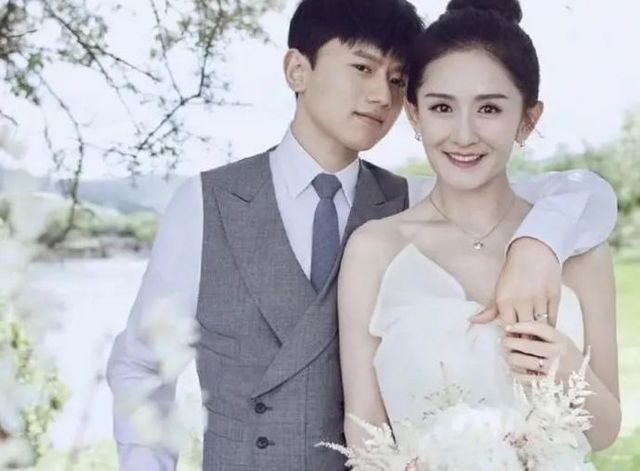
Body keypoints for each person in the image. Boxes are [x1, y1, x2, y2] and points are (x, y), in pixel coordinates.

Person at [107, 0, 618, 469]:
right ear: (297, 69)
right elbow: (142, 367)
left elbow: (579, 194)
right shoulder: (207, 203)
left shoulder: (408, 196)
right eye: (362, 68)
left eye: (397, 79)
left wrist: (537, 244)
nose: (381, 96)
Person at [338, 0, 621, 458]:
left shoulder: (582, 253)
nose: (464, 135)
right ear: (414, 115)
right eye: (442, 107)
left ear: (527, 120)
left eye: (489, 108)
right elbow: (363, 429)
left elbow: (606, 431)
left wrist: (566, 364)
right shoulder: (374, 249)